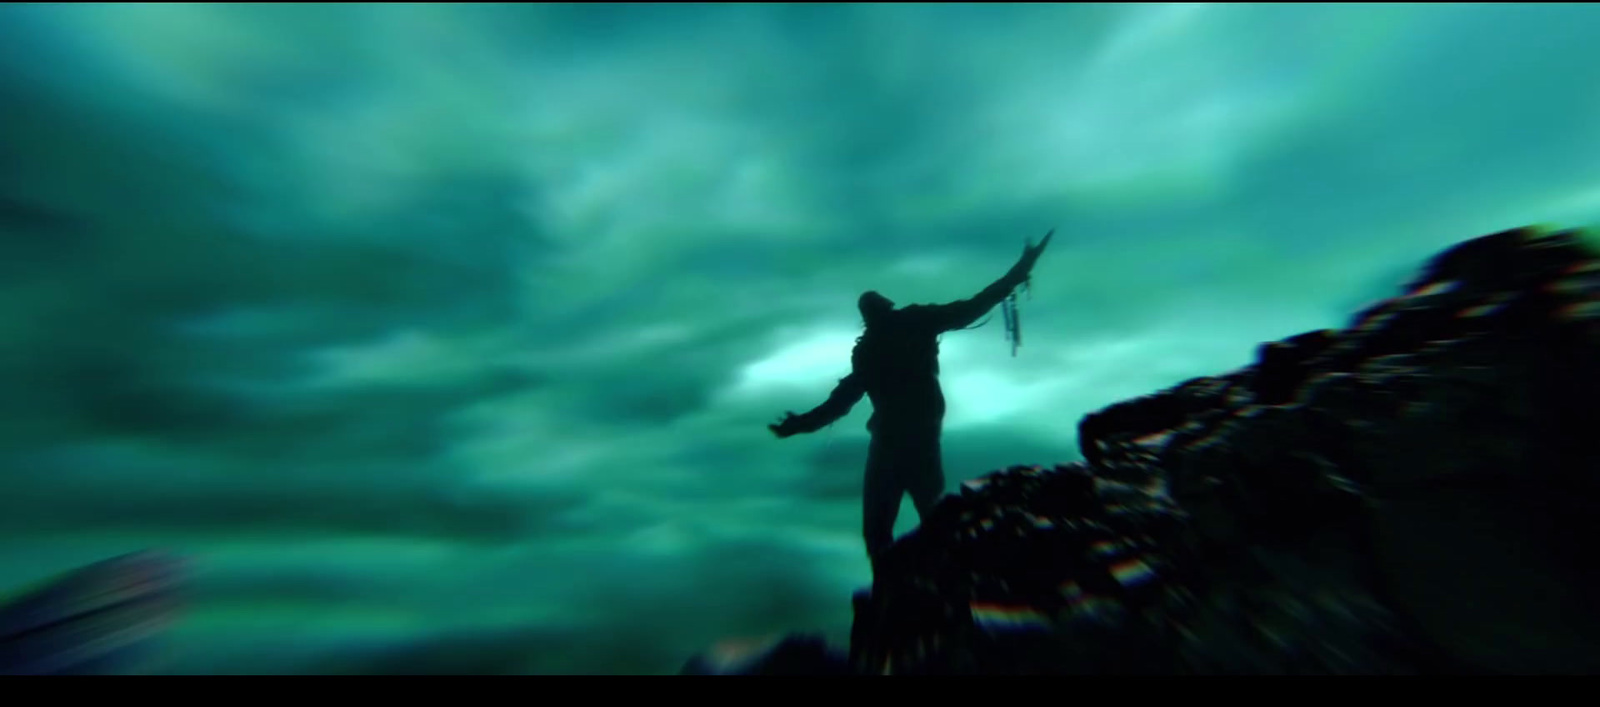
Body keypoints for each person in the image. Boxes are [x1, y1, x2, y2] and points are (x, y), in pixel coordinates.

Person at [769, 232, 1054, 565]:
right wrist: (1020, 271)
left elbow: (840, 402)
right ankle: (924, 589)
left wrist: (798, 425)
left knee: (895, 524)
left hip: (900, 436)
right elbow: (970, 308)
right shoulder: (894, 334)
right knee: (915, 518)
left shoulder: (882, 342)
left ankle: (923, 591)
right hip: (909, 433)